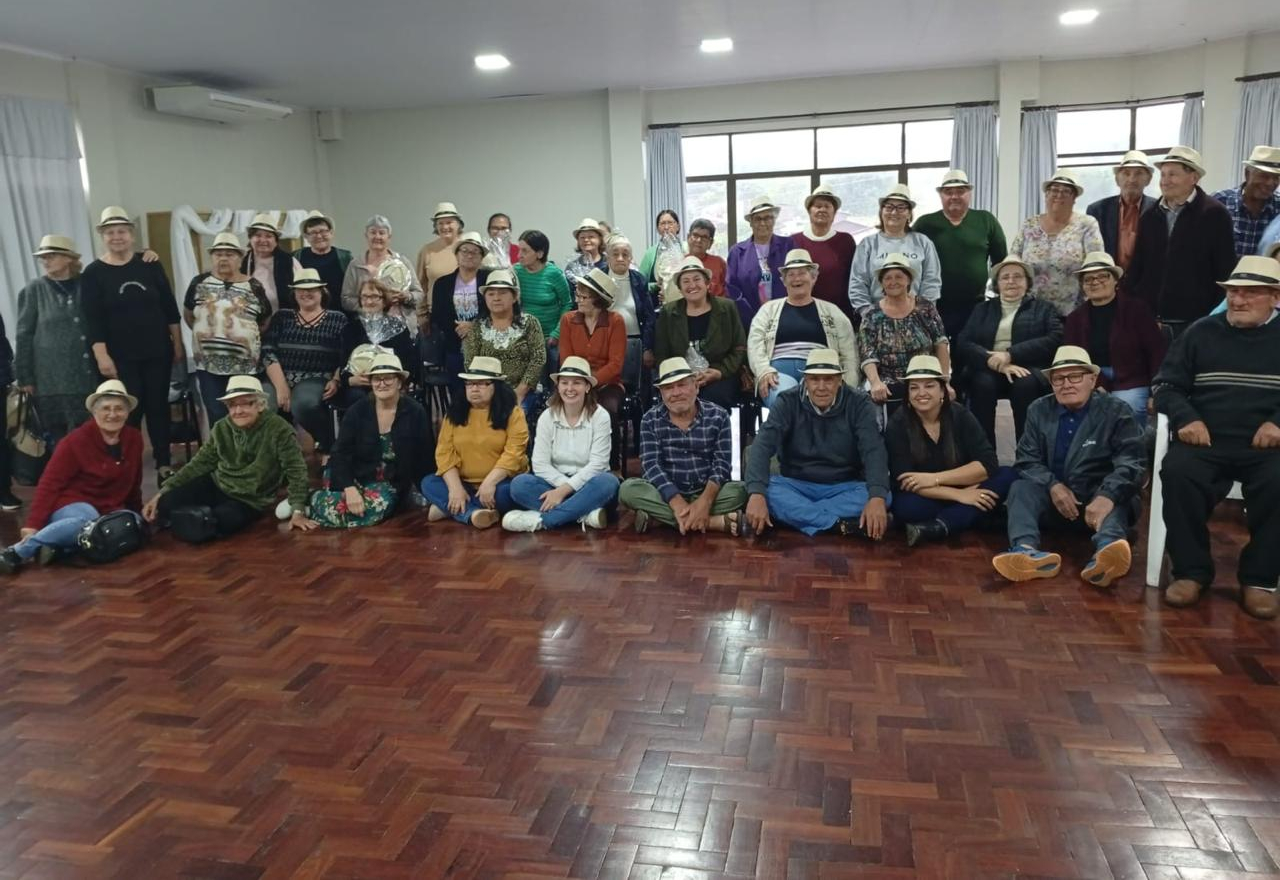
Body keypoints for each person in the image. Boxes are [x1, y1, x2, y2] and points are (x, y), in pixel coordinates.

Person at [1155, 254, 1280, 619]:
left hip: (1268, 445)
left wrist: (1278, 422)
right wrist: (1186, 418)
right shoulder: (1200, 332)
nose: (1238, 300)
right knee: (1177, 473)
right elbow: (1165, 385)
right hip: (1205, 439)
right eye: (1233, 291)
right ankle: (1191, 572)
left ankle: (1259, 579)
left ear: (1275, 296)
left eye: (1249, 293)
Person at [991, 346, 1144, 586]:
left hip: (1100, 502)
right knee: (1020, 487)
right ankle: (1025, 551)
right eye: (1058, 378)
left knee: (1118, 498)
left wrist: (1107, 495)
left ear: (1092, 379)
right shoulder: (1039, 409)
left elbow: (1132, 462)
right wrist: (1053, 486)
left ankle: (1106, 553)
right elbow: (1027, 459)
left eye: (1075, 376)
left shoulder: (1117, 411)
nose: (1066, 384)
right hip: (1056, 503)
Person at [80, 206, 184, 484]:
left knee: (158, 407)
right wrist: (102, 356)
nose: (117, 237)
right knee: (128, 411)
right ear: (103, 236)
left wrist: (177, 343)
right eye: (110, 232)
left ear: (132, 235)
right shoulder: (93, 273)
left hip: (157, 351)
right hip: (119, 357)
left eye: (122, 231)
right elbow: (92, 321)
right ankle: (127, 465)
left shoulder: (149, 264)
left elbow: (169, 307)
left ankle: (164, 464)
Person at [743, 348, 890, 538]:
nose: (821, 386)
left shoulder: (859, 403)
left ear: (839, 381)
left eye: (828, 379)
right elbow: (762, 446)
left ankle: (795, 517)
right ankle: (837, 525)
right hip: (795, 484)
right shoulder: (787, 401)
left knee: (883, 496)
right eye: (814, 379)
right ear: (805, 380)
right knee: (766, 490)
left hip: (844, 485)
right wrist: (756, 493)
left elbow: (873, 451)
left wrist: (877, 497)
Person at [0, 380, 143, 573]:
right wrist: (32, 524)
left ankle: (58, 546)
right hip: (73, 505)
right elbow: (50, 483)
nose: (112, 414)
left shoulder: (134, 438)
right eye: (106, 408)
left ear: (127, 412)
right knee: (87, 522)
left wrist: (138, 512)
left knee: (133, 522)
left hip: (109, 508)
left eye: (119, 409)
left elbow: (134, 480)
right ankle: (17, 552)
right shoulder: (75, 441)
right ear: (94, 412)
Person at [143, 375, 314, 536]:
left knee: (220, 522)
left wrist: (297, 511)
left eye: (245, 404)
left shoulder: (280, 429)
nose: (238, 411)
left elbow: (296, 471)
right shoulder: (221, 427)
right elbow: (199, 463)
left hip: (250, 499)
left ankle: (187, 521)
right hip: (218, 484)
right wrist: (162, 493)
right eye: (232, 405)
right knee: (166, 502)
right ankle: (189, 520)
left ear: (260, 405)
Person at [886, 355, 1016, 546]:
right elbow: (904, 479)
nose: (921, 393)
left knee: (1009, 474)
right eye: (914, 387)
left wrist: (935, 479)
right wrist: (960, 496)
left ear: (942, 391)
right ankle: (974, 516)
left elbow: (988, 464)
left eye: (929, 385)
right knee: (906, 507)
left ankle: (941, 525)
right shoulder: (898, 422)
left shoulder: (960, 415)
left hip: (960, 486)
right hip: (928, 495)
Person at [618, 357, 746, 534]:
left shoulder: (719, 416)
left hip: (706, 490)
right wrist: (676, 502)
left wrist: (704, 502)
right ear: (661, 393)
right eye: (669, 388)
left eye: (682, 385)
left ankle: (661, 519)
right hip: (665, 494)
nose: (676, 392)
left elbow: (722, 465)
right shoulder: (650, 419)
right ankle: (711, 522)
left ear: (696, 386)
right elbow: (651, 466)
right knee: (627, 490)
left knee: (740, 491)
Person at [305, 353, 433, 529]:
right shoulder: (357, 411)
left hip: (389, 483)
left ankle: (311, 504)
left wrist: (429, 492)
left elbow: (425, 454)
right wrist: (349, 488)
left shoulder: (415, 411)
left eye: (388, 378)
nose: (382, 384)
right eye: (376, 379)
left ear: (399, 382)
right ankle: (311, 501)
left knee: (375, 507)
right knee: (345, 492)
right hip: (355, 474)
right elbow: (340, 452)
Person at [1122, 146, 1236, 334]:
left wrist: (1213, 318)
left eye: (1173, 175)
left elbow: (1225, 270)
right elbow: (1137, 266)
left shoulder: (1215, 214)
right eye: (1163, 175)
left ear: (1194, 178)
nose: (1165, 181)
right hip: (1150, 320)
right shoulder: (1150, 216)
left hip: (1196, 322)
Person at [955, 255, 1063, 445]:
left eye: (1017, 276)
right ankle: (984, 456)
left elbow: (1054, 339)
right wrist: (993, 361)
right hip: (988, 368)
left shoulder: (1044, 309)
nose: (1011, 281)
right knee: (982, 384)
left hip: (1028, 367)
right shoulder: (982, 309)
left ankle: (1029, 455)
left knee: (1025, 385)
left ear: (1027, 282)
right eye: (1005, 277)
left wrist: (1010, 354)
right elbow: (964, 341)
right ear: (997, 283)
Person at [503, 357, 619, 532]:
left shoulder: (600, 416)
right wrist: (562, 488)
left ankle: (543, 520)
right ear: (558, 386)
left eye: (577, 383)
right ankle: (584, 515)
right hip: (554, 483)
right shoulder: (547, 417)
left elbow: (598, 465)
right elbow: (540, 465)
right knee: (520, 484)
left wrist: (565, 490)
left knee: (609, 482)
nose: (570, 388)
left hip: (590, 484)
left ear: (587, 387)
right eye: (564, 383)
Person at [421, 356, 529, 529]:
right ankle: (473, 514)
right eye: (469, 384)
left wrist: (490, 482)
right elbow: (444, 452)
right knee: (428, 483)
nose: (474, 389)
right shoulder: (455, 413)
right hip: (464, 483)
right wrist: (455, 488)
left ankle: (452, 508)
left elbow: (514, 454)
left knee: (511, 492)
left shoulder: (513, 413)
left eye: (481, 384)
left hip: (499, 483)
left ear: (496, 386)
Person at [1063, 252, 1165, 426]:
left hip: (1132, 379)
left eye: (1102, 276)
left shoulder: (1137, 310)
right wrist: (1097, 382)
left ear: (1115, 280)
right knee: (1084, 412)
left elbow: (1156, 352)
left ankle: (1129, 453)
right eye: (1088, 279)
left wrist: (1157, 392)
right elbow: (1071, 358)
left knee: (1127, 407)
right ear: (1083, 285)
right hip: (1091, 379)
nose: (1095, 282)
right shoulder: (1074, 319)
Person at [747, 248, 858, 409]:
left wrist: (848, 385)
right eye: (791, 274)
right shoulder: (767, 310)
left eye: (802, 273)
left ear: (813, 277)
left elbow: (849, 353)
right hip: (777, 373)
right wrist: (763, 370)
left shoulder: (833, 312)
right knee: (783, 401)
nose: (796, 278)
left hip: (821, 373)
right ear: (784, 281)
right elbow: (754, 344)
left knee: (815, 399)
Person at [15, 234, 100, 442]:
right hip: (51, 381)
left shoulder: (86, 285)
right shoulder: (34, 290)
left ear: (69, 258)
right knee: (59, 441)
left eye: (51, 256)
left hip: (86, 377)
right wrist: (25, 376)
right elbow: (24, 334)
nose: (46, 261)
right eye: (43, 257)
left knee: (88, 436)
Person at [183, 232, 273, 425]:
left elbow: (265, 320)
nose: (223, 258)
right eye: (218, 254)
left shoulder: (253, 286)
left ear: (240, 258)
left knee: (246, 414)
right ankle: (224, 454)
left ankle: (249, 454)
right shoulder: (198, 283)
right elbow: (189, 314)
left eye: (230, 254)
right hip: (208, 365)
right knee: (217, 414)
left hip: (244, 365)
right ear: (212, 257)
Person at [912, 170, 1008, 339]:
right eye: (948, 192)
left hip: (974, 306)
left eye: (960, 191)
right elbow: (911, 263)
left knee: (967, 357)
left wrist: (1001, 301)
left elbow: (1001, 264)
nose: (954, 196)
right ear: (941, 195)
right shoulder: (924, 224)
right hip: (932, 306)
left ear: (969, 193)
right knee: (932, 357)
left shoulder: (986, 220)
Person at [262, 269, 348, 456]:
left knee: (303, 404)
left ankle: (331, 447)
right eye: (300, 289)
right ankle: (275, 458)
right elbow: (268, 351)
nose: (306, 293)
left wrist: (336, 379)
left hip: (317, 377)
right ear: (294, 293)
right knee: (261, 404)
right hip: (279, 376)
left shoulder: (338, 319)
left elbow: (346, 355)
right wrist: (281, 386)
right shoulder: (282, 317)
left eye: (312, 289)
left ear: (321, 292)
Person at [857, 254, 950, 415]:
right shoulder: (872, 314)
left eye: (899, 276)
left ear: (908, 280)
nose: (893, 282)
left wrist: (944, 381)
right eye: (887, 278)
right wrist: (875, 382)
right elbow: (867, 354)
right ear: (881, 283)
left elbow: (941, 344)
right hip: (888, 379)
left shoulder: (925, 307)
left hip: (924, 374)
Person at [654, 256, 746, 410]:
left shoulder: (727, 307)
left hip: (719, 374)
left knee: (712, 399)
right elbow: (662, 353)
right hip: (679, 376)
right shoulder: (669, 312)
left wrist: (719, 372)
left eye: (697, 279)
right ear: (680, 288)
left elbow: (740, 347)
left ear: (707, 283)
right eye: (686, 281)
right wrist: (681, 377)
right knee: (678, 397)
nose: (692, 285)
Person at [1009, 171, 1105, 317]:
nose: (1059, 195)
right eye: (1054, 190)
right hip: (1031, 311)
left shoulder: (1087, 224)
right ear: (1046, 195)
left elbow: (1096, 264)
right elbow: (1013, 260)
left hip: (1074, 312)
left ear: (1074, 198)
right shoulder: (1030, 224)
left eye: (1066, 191)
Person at [847, 184, 942, 318]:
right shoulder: (867, 244)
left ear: (909, 213)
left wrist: (921, 311)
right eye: (889, 207)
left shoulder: (923, 242)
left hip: (916, 316)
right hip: (876, 316)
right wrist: (869, 313)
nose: (894, 212)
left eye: (901, 208)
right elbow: (858, 282)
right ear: (881, 211)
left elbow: (931, 281)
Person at [462, 269, 547, 412]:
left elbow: (538, 358)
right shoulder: (477, 326)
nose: (496, 298)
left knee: (517, 416)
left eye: (502, 293)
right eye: (491, 294)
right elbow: (470, 362)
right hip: (486, 392)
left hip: (523, 391)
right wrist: (486, 392)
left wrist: (519, 392)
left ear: (514, 297)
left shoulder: (530, 323)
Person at [558, 269, 626, 425]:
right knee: (559, 407)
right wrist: (579, 382)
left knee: (608, 411)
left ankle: (610, 450)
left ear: (598, 300)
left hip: (607, 384)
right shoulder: (568, 320)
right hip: (574, 380)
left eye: (583, 297)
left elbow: (615, 365)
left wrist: (591, 381)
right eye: (577, 295)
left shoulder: (616, 321)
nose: (578, 300)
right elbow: (566, 360)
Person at [429, 230, 491, 392]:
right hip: (453, 343)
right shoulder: (443, 283)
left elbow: (495, 309)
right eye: (465, 251)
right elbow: (438, 315)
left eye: (475, 252)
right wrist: (460, 329)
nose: (469, 255)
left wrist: (473, 326)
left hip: (486, 344)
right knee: (459, 392)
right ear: (456, 254)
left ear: (481, 257)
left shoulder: (489, 279)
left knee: (484, 390)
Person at [340, 215, 421, 330]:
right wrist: (369, 304)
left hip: (402, 327)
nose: (377, 236)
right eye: (373, 232)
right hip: (367, 328)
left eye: (382, 233)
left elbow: (419, 293)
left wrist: (406, 297)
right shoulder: (355, 265)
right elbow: (346, 299)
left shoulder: (402, 262)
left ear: (389, 237)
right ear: (366, 236)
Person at [792, 186, 856, 322]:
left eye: (827, 206)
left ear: (834, 213)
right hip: (803, 315)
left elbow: (854, 278)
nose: (822, 210)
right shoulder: (794, 241)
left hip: (839, 315)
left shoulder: (846, 241)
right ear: (809, 211)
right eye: (817, 206)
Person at [1085, 151, 1157, 271]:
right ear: (1117, 179)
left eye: (1139, 173)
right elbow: (1093, 255)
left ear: (1148, 179)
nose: (1132, 179)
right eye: (1126, 173)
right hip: (1108, 280)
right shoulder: (1097, 210)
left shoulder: (1159, 209)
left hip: (1146, 282)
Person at [341, 277, 416, 390]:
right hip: (359, 386)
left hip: (389, 384)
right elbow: (343, 364)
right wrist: (350, 380)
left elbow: (408, 363)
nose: (369, 301)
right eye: (365, 297)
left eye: (375, 297)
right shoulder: (350, 329)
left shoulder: (398, 328)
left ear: (385, 300)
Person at [513, 230, 572, 373]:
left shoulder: (554, 274)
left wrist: (557, 333)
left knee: (553, 381)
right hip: (524, 339)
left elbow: (567, 304)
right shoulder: (515, 271)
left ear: (539, 254)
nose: (519, 255)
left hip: (550, 339)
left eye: (525, 251)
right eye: (519, 250)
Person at [726, 197, 791, 327]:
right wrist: (751, 316)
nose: (762, 223)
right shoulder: (737, 252)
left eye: (767, 218)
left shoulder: (788, 245)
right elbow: (732, 288)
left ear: (774, 220)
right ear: (750, 222)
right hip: (749, 320)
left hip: (785, 317)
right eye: (757, 219)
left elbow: (796, 279)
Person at [1210, 145, 1280, 259]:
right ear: (1247, 174)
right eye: (1264, 176)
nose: (1270, 183)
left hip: (1264, 275)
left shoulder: (1278, 209)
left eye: (1276, 177)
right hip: (1223, 276)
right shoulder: (1220, 201)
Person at [603, 235, 656, 382]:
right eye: (615, 254)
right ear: (608, 257)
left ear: (630, 258)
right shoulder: (598, 277)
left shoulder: (639, 280)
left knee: (638, 386)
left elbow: (649, 317)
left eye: (625, 254)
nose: (620, 258)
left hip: (635, 342)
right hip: (605, 343)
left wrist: (647, 348)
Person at [241, 212, 304, 312]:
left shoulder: (290, 261)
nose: (263, 240)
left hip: (285, 319)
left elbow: (304, 291)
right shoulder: (242, 262)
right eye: (258, 235)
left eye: (268, 236)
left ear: (276, 240)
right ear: (250, 238)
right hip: (250, 320)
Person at [414, 201, 464, 328]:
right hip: (435, 317)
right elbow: (420, 285)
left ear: (458, 224)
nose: (445, 227)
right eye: (440, 223)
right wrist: (421, 316)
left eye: (449, 222)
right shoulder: (427, 250)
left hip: (465, 317)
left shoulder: (468, 248)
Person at [293, 210, 352, 306]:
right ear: (306, 237)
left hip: (342, 316)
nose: (319, 236)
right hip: (307, 315)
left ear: (331, 233)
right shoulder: (297, 257)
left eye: (323, 231)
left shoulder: (345, 257)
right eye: (313, 233)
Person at [638, 210, 686, 300]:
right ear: (657, 228)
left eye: (670, 223)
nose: (666, 227)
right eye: (662, 224)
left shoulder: (686, 249)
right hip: (658, 302)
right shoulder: (650, 253)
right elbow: (639, 282)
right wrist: (656, 286)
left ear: (678, 226)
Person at [563, 218, 607, 292]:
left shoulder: (608, 264)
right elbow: (569, 294)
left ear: (600, 239)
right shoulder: (572, 267)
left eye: (591, 237)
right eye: (582, 237)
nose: (586, 240)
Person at [686, 219, 727, 299]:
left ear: (710, 243)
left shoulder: (719, 263)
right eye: (695, 235)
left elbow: (729, 291)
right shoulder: (680, 263)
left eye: (704, 237)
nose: (699, 240)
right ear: (688, 237)